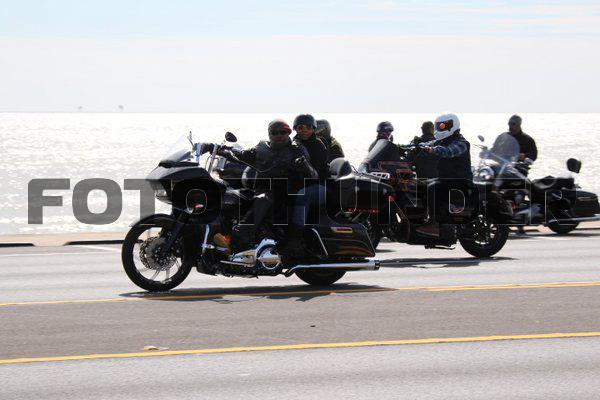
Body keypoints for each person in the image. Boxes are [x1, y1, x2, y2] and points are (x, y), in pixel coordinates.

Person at [222, 119, 317, 253]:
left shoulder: (296, 149)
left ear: (289, 133)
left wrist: (305, 166)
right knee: (228, 195)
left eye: (283, 132)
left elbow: (314, 176)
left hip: (284, 192)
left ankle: (238, 239)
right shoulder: (262, 147)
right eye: (275, 132)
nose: (279, 135)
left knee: (263, 198)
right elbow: (243, 155)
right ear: (269, 134)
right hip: (260, 188)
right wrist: (219, 149)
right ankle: (220, 234)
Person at [419, 113, 473, 236]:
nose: (440, 128)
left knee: (433, 188)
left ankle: (435, 224)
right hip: (446, 179)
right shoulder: (443, 141)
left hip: (460, 181)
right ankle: (422, 219)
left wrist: (433, 150)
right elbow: (432, 143)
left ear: (452, 125)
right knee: (419, 185)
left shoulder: (461, 143)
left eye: (442, 126)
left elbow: (449, 151)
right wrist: (416, 145)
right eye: (438, 126)